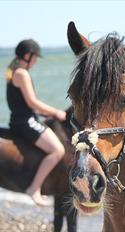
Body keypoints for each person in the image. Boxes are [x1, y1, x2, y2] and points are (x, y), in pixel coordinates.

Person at [5, 39, 66, 206]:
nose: (36, 61)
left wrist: (45, 113)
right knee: (57, 150)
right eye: (35, 57)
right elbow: (32, 103)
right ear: (27, 56)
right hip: (25, 122)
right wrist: (56, 112)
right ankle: (34, 188)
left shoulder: (15, 71)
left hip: (21, 119)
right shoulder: (21, 74)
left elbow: (26, 103)